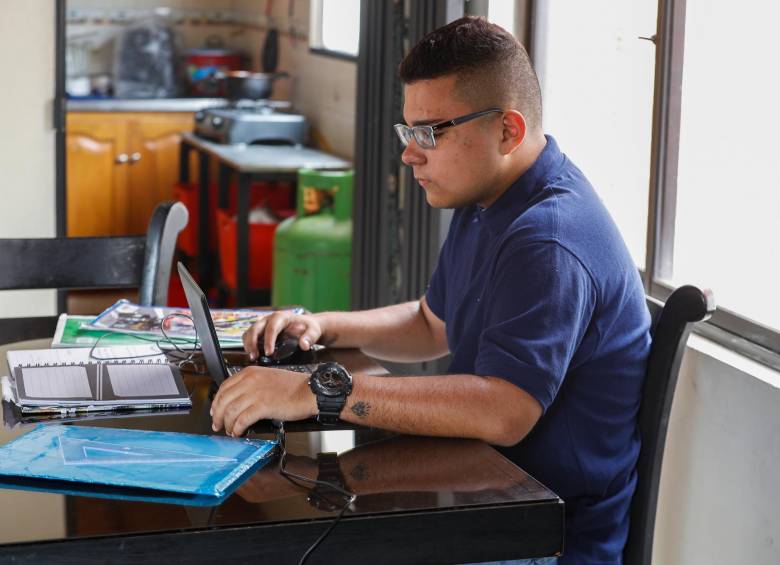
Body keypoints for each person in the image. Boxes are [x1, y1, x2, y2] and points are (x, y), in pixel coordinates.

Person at [210, 16, 651, 565]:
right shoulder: (488, 197)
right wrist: (323, 325)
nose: (409, 155)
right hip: (481, 495)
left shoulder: (550, 240)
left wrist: (317, 392)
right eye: (407, 132)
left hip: (541, 536)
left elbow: (504, 411)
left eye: (429, 134)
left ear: (508, 131)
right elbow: (430, 324)